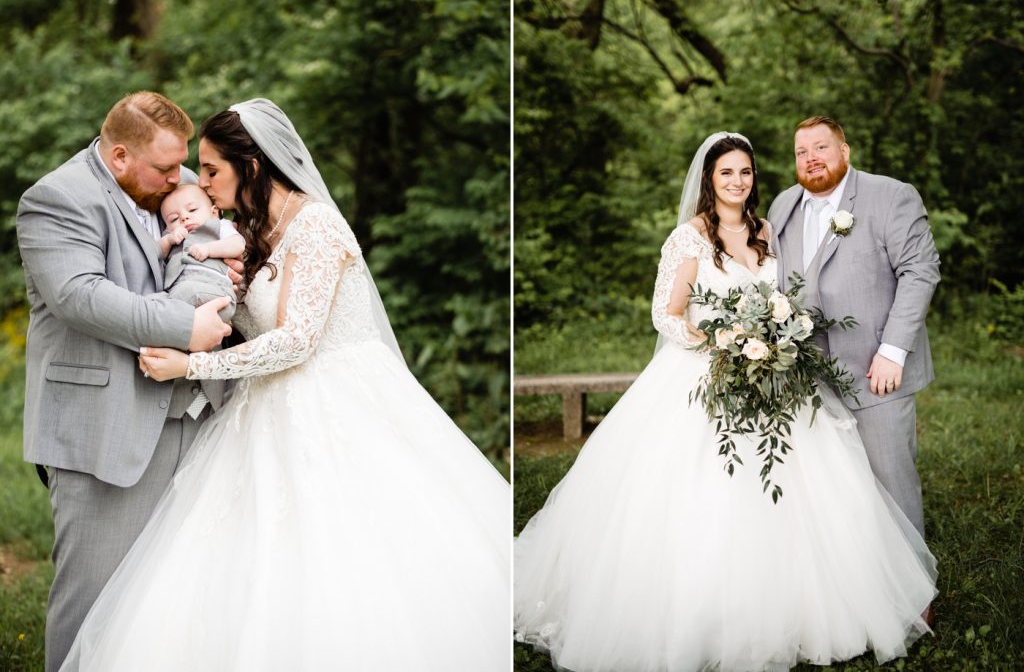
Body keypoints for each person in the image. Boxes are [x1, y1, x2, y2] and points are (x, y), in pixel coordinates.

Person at [60, 98, 510, 671]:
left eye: (214, 171)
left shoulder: (317, 224)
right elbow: (244, 324)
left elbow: (297, 341)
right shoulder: (251, 232)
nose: (205, 186)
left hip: (338, 404)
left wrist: (188, 367)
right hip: (262, 409)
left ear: (251, 166)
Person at [514, 132, 937, 672]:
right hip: (705, 373)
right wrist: (722, 342)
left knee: (800, 485)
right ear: (708, 181)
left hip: (773, 373)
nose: (738, 182)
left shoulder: (769, 229)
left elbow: (791, 293)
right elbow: (665, 315)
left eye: (746, 172)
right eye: (726, 173)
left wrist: (771, 338)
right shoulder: (687, 239)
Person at [16, 91, 234, 672]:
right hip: (103, 429)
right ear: (118, 157)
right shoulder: (56, 200)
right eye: (165, 168)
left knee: (175, 595)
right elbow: (79, 297)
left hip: (197, 420)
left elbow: (209, 240)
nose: (180, 178)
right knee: (94, 598)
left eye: (181, 164)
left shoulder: (172, 180)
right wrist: (186, 325)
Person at [767, 116, 940, 540]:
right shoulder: (783, 205)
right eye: (801, 152)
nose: (811, 159)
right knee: (826, 488)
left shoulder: (889, 196)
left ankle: (916, 595)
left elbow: (920, 271)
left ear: (844, 151)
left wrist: (893, 351)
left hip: (875, 372)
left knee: (890, 481)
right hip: (806, 377)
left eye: (821, 148)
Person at [158, 183, 245, 323]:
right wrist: (168, 240)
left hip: (217, 293)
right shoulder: (172, 236)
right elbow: (156, 253)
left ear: (214, 212)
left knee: (184, 295)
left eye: (192, 210)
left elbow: (238, 245)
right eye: (174, 219)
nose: (184, 218)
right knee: (154, 301)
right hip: (179, 292)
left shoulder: (220, 226)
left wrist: (209, 249)